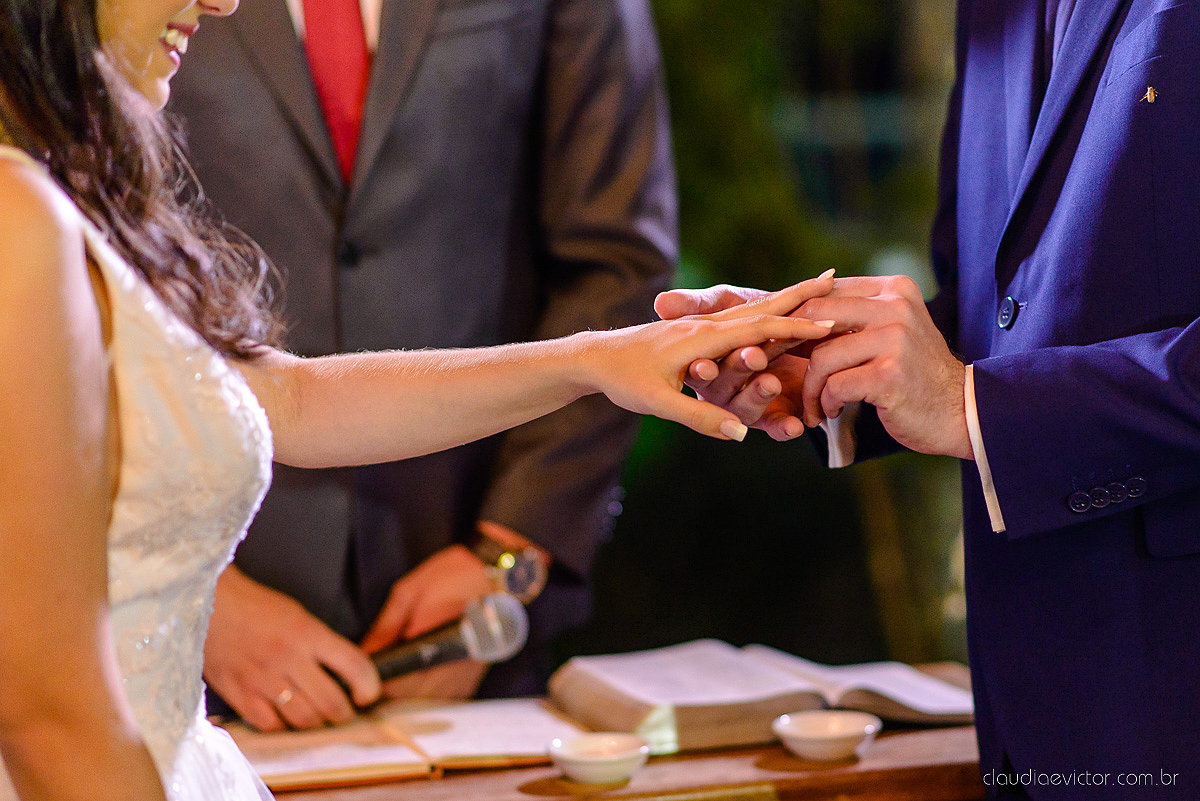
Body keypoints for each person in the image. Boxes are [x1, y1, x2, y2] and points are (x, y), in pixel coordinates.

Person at [0, 0, 836, 798]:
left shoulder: (58, 189)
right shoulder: (20, 220)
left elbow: (284, 400)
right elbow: (51, 722)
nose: (223, 5)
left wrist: (600, 357)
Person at [659, 0, 1200, 797]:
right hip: (1029, 715)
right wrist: (829, 356)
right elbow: (996, 311)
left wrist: (970, 404)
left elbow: (974, 384)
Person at [164, 0, 676, 730]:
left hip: (470, 617)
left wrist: (505, 559)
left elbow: (616, 263)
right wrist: (191, 592)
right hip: (185, 649)